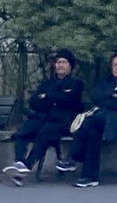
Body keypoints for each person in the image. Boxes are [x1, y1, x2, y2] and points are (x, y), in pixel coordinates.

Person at [5, 50, 86, 185]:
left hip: (62, 121)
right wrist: (53, 99)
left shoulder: (76, 83)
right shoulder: (47, 83)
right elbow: (34, 102)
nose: (60, 65)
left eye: (63, 62)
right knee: (22, 132)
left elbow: (70, 101)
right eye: (58, 62)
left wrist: (48, 98)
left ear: (70, 66)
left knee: (45, 134)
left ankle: (26, 167)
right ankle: (19, 162)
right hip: (42, 118)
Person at [69, 52, 117, 188]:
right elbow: (95, 96)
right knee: (92, 134)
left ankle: (73, 156)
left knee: (94, 118)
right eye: (115, 65)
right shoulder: (105, 83)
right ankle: (90, 177)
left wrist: (107, 99)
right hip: (101, 125)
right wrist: (112, 96)